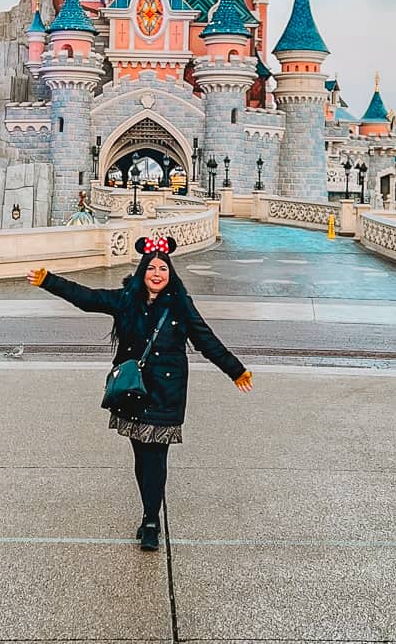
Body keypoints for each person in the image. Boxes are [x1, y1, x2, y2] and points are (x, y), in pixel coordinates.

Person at [27, 231, 253, 552]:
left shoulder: (180, 305)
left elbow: (205, 338)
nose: (157, 274)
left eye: (163, 269)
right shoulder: (125, 300)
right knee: (140, 456)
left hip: (166, 392)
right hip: (134, 392)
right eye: (151, 268)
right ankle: (149, 510)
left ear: (170, 273)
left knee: (156, 457)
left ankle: (150, 519)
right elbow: (87, 298)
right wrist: (50, 280)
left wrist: (234, 369)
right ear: (142, 272)